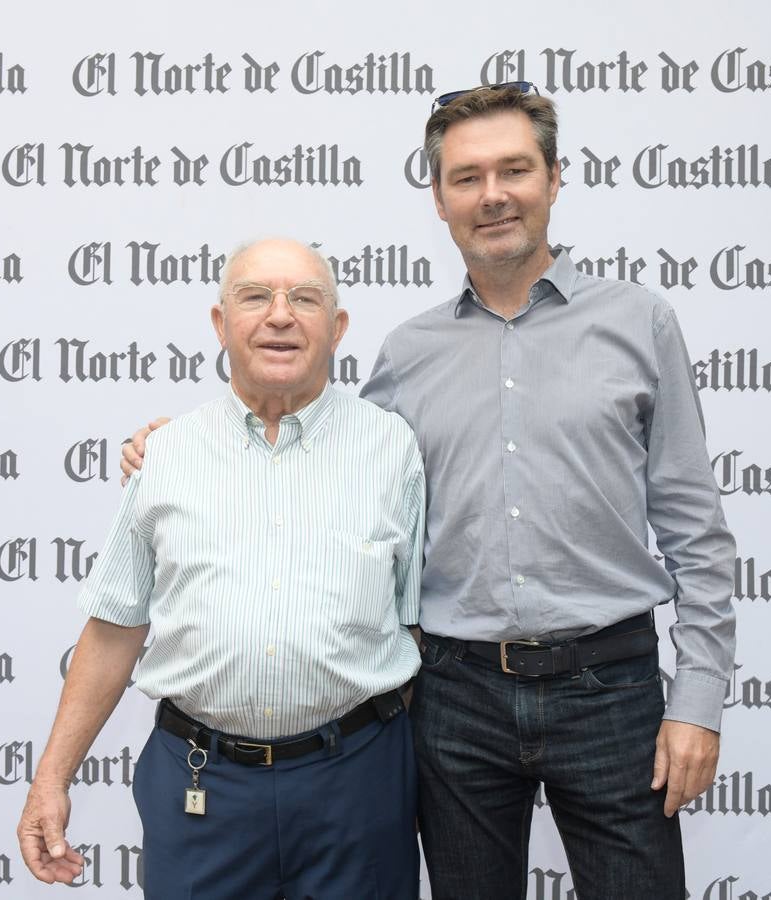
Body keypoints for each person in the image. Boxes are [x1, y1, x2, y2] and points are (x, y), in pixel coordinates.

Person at [122, 85, 736, 900]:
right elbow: (318, 452)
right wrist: (178, 443)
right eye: (466, 176)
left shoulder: (640, 322)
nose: (493, 194)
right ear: (440, 200)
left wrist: (697, 702)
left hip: (610, 687)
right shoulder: (408, 353)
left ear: (555, 179)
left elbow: (698, 533)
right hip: (456, 698)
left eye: (515, 169)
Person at [18, 238, 425, 900]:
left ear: (339, 328)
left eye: (305, 298)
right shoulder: (167, 454)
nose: (280, 315)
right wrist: (51, 779)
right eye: (255, 296)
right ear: (219, 323)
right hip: (200, 785)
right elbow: (115, 628)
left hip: (355, 783)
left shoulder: (392, 448)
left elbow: (413, 629)